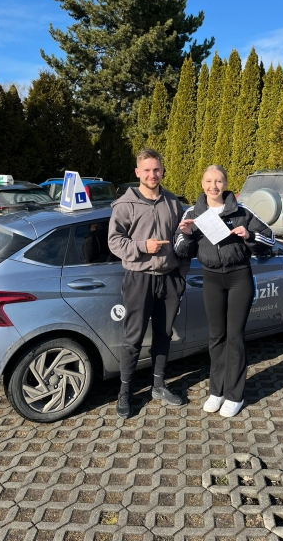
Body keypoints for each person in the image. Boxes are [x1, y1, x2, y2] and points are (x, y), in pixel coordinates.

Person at [174, 165, 275, 417]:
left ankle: (234, 394)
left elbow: (270, 239)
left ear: (226, 183)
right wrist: (186, 235)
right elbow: (180, 249)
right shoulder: (193, 213)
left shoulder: (241, 211)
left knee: (234, 336)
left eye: (218, 181)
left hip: (239, 277)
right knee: (216, 335)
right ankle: (216, 391)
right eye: (209, 181)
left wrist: (249, 235)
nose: (213, 186)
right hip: (211, 279)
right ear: (202, 183)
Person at [108, 148, 190, 419]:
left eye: (156, 169)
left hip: (169, 278)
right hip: (139, 279)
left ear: (162, 170)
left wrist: (181, 274)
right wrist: (143, 246)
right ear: (137, 172)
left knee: (164, 334)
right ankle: (125, 392)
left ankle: (158, 385)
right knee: (133, 338)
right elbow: (114, 242)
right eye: (147, 170)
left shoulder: (173, 202)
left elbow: (182, 240)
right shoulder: (125, 204)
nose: (152, 174)